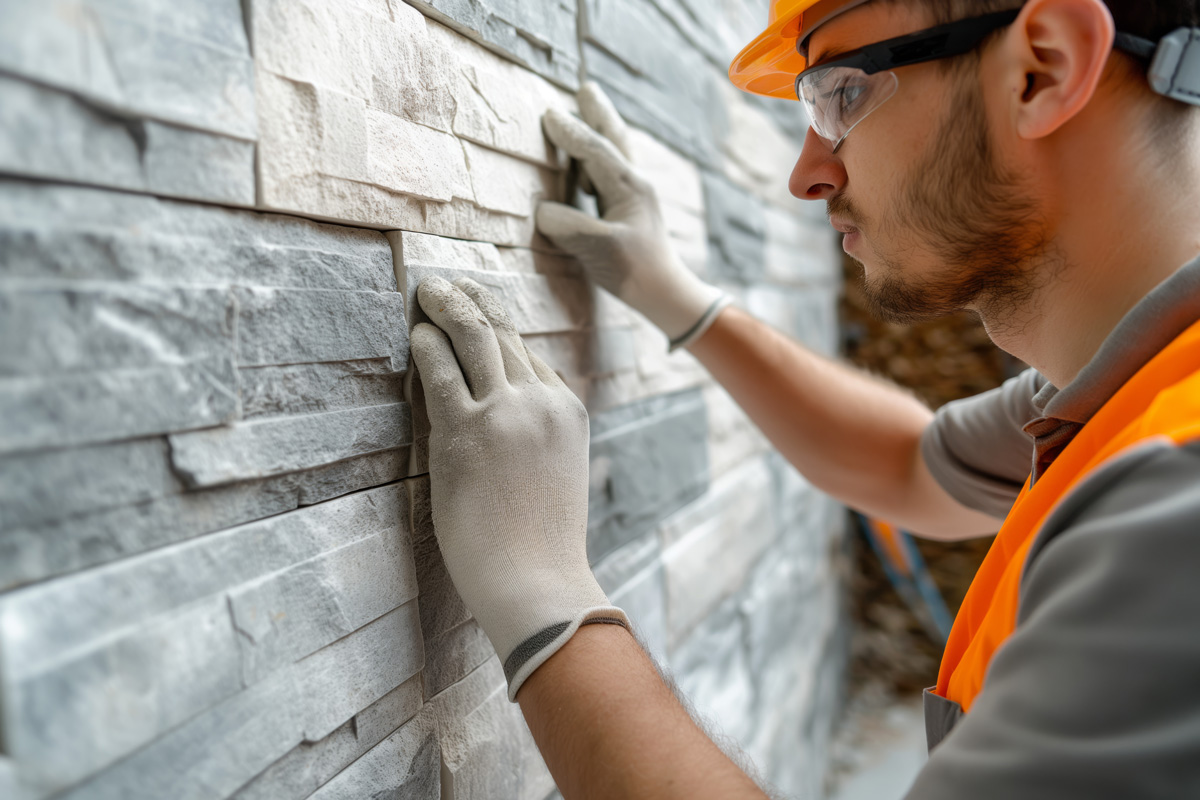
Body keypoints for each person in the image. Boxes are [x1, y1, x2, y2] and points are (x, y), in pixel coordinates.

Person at [406, 0, 1200, 796]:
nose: (806, 174)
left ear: (1043, 68)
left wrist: (541, 592)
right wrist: (675, 295)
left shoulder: (1177, 511)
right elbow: (910, 465)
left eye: (842, 94)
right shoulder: (1133, 388)